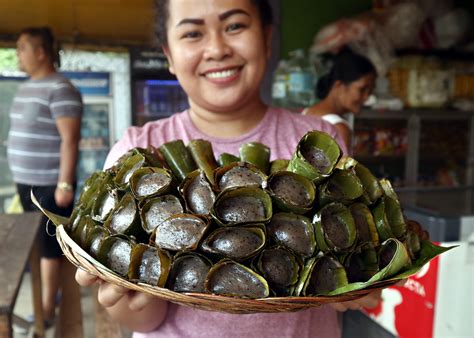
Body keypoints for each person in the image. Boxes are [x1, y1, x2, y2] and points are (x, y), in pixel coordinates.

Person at [75, 1, 382, 337]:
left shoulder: (322, 144)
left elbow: (341, 273)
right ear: (169, 55)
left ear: (267, 37)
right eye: (193, 33)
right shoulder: (135, 155)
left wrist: (355, 283)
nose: (217, 49)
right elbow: (144, 319)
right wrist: (123, 295)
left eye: (235, 26)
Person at [7, 27, 83, 325]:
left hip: (50, 184)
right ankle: (46, 300)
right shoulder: (29, 86)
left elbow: (70, 140)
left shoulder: (60, 88)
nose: (18, 55)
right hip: (27, 181)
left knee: (50, 248)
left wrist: (64, 184)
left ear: (40, 52)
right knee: (37, 244)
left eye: (22, 48)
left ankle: (47, 310)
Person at [303, 51, 376, 153]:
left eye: (370, 91)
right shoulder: (338, 129)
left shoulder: (305, 113)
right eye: (362, 89)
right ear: (339, 85)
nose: (367, 97)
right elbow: (341, 169)